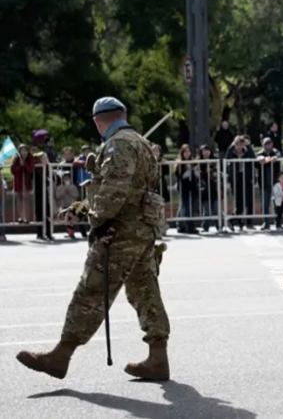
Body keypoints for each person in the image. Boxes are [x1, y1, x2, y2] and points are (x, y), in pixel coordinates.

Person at [16, 96, 171, 381]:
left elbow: (114, 189)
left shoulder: (118, 144)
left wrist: (98, 223)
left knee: (92, 290)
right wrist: (81, 208)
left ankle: (60, 356)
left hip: (120, 231)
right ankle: (158, 357)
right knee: (144, 289)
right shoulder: (139, 142)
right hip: (142, 228)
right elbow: (129, 189)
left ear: (99, 121)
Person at [226, 135, 256, 230]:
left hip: (247, 179)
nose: (239, 146)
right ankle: (234, 220)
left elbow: (253, 158)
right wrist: (232, 145)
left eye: (241, 144)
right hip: (235, 180)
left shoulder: (247, 152)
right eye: (237, 144)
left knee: (249, 201)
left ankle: (246, 222)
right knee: (240, 204)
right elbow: (227, 157)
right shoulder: (232, 152)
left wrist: (249, 146)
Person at [257, 137, 282, 230]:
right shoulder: (260, 153)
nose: (268, 145)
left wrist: (276, 158)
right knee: (265, 203)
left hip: (275, 181)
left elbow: (280, 155)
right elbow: (256, 161)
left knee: (277, 202)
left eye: (269, 143)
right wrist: (259, 159)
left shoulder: (276, 152)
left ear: (272, 144)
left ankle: (278, 223)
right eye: (266, 143)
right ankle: (266, 223)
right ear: (263, 145)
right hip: (264, 182)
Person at [175, 144, 199, 234]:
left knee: (188, 206)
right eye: (185, 151)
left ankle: (182, 225)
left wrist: (194, 171)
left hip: (192, 187)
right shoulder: (179, 163)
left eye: (188, 151)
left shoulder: (193, 162)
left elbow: (197, 174)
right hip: (183, 187)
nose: (187, 153)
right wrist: (188, 171)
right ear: (182, 153)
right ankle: (189, 226)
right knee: (185, 206)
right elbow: (179, 175)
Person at [198, 144, 220, 233]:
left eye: (208, 150)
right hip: (204, 188)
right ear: (201, 152)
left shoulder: (215, 161)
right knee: (206, 209)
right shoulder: (199, 162)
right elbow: (199, 174)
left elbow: (217, 173)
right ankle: (205, 226)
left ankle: (219, 226)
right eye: (204, 151)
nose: (206, 152)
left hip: (214, 187)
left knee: (216, 208)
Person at [10, 143, 35, 222]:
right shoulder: (16, 158)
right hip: (18, 182)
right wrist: (19, 166)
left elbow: (31, 169)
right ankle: (21, 217)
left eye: (25, 151)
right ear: (19, 151)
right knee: (19, 200)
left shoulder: (30, 158)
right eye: (22, 151)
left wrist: (25, 165)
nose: (24, 153)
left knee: (26, 200)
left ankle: (26, 217)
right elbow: (13, 170)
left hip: (26, 182)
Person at [55, 172, 80, 239]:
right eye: (65, 178)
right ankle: (68, 231)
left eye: (68, 178)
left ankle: (71, 233)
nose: (66, 180)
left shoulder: (73, 186)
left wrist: (69, 189)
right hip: (63, 206)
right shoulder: (60, 187)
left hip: (72, 205)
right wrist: (64, 190)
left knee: (71, 219)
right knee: (66, 220)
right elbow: (57, 196)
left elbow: (76, 195)